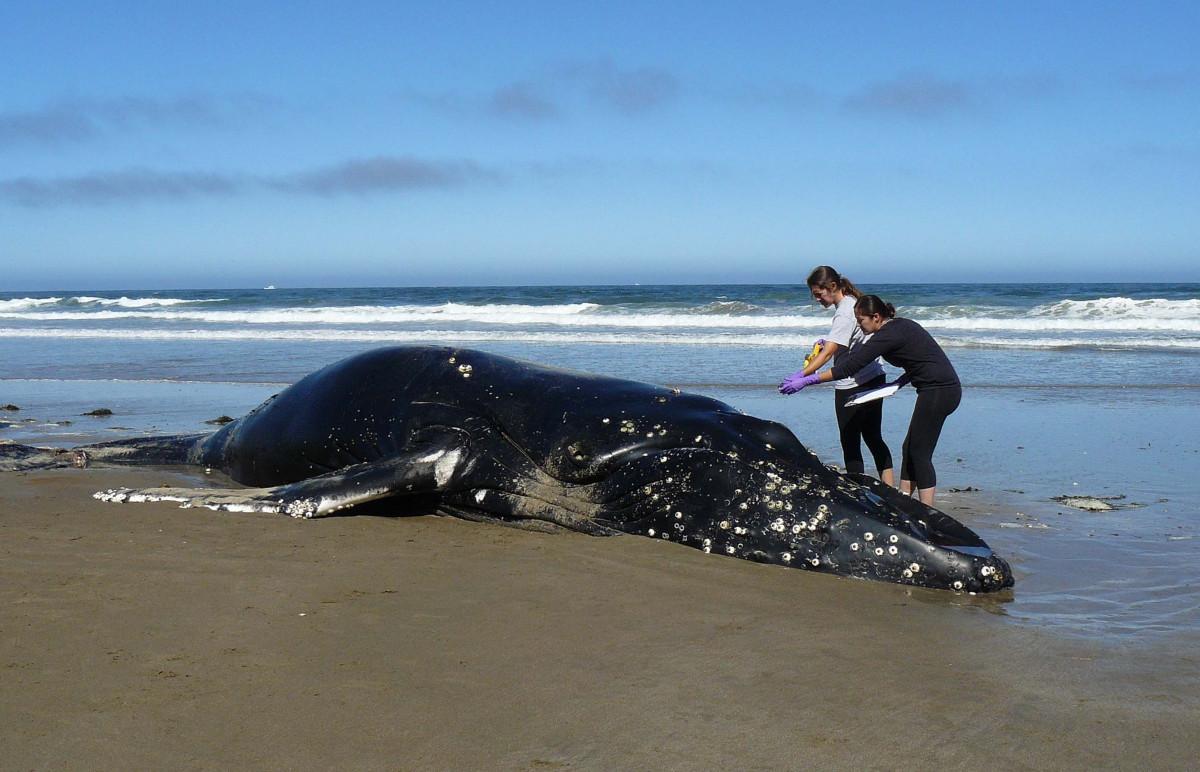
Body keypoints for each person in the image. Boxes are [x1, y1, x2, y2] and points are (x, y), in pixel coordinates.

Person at [779, 295, 961, 506]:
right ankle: (903, 503)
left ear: (876, 317)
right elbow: (920, 357)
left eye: (861, 320)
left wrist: (809, 379)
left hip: (940, 391)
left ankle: (927, 513)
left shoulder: (887, 335)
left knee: (920, 453)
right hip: (936, 388)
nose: (859, 325)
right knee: (909, 448)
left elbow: (850, 367)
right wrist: (900, 381)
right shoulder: (900, 326)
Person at [780, 266, 893, 485]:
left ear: (832, 287)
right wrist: (827, 344)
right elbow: (845, 342)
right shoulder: (853, 302)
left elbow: (829, 351)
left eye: (818, 294)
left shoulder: (844, 312)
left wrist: (802, 376)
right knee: (873, 437)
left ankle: (859, 492)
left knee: (850, 441)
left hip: (853, 383)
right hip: (874, 376)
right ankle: (892, 492)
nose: (817, 300)